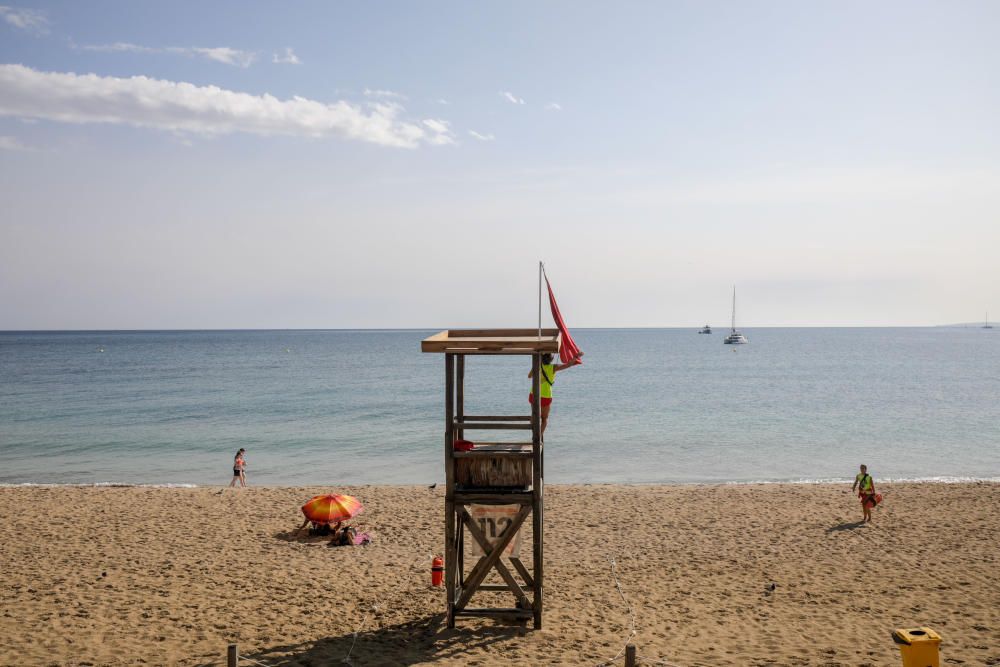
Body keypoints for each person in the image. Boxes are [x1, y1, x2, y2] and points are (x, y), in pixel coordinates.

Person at [527, 353, 577, 438]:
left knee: (534, 415)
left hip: (534, 394)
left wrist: (536, 366)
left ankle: (534, 433)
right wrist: (576, 357)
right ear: (551, 360)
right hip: (546, 395)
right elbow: (568, 365)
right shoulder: (553, 367)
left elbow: (529, 376)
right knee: (544, 419)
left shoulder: (537, 366)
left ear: (541, 359)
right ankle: (537, 437)